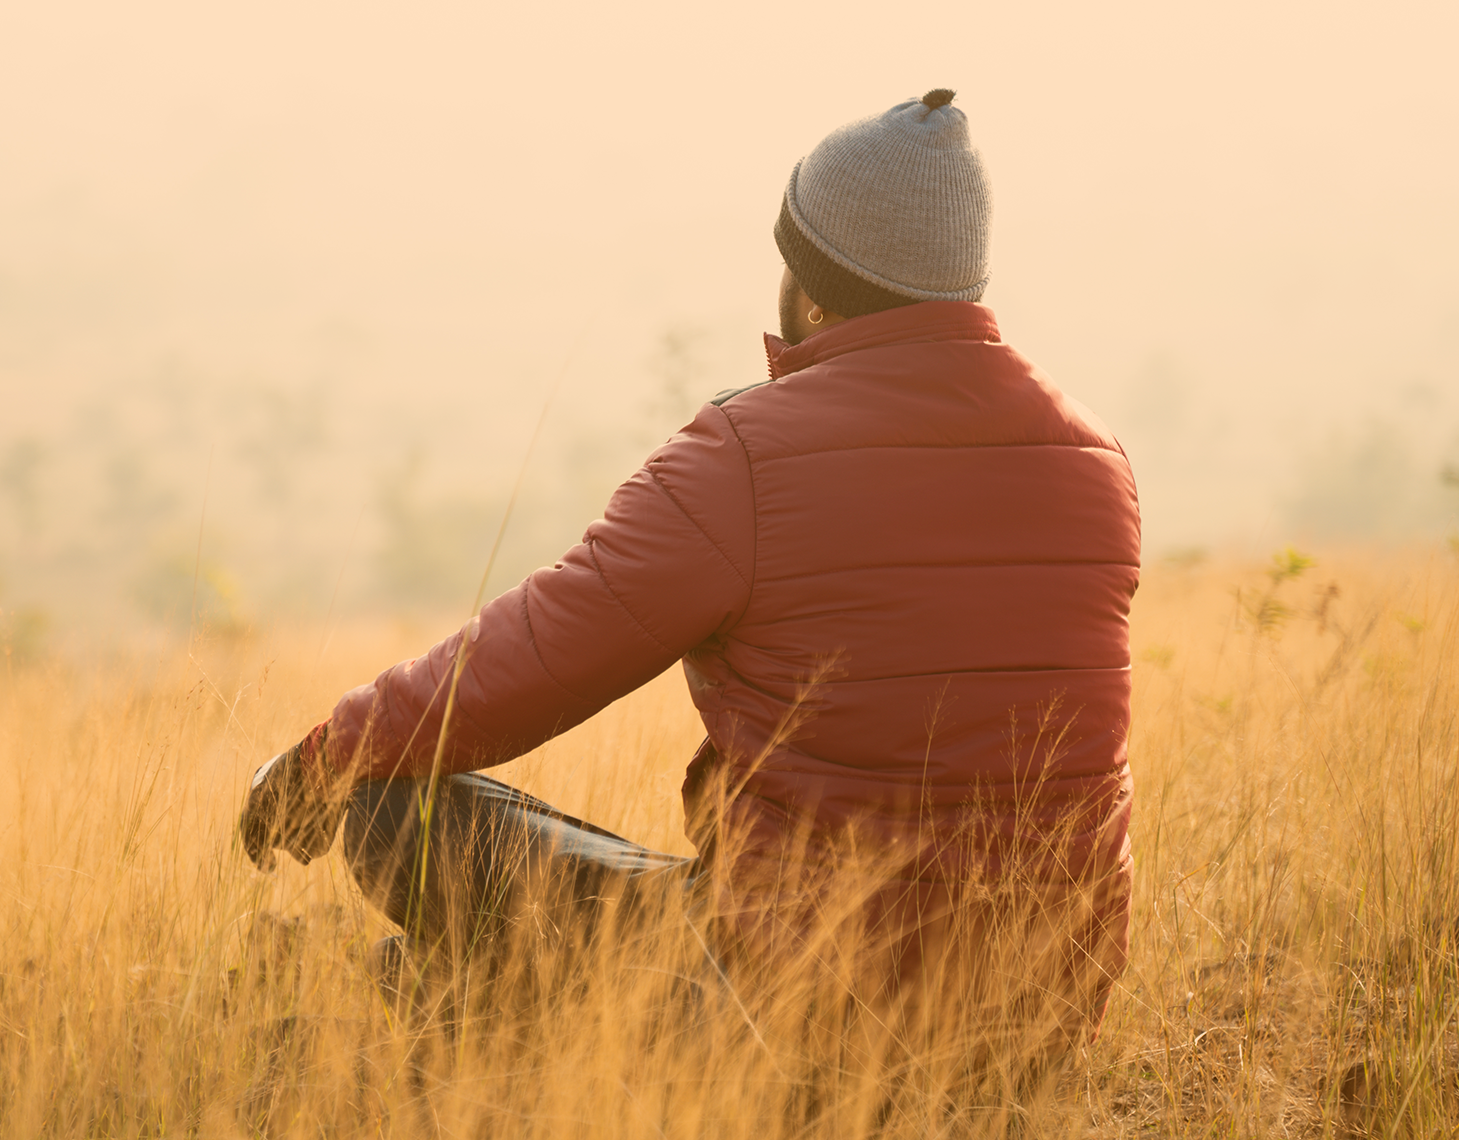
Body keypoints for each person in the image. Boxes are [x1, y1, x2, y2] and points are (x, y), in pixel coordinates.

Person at [238, 89, 1139, 1042]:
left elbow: (530, 657)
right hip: (1042, 1013)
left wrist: (326, 756)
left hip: (794, 1002)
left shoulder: (746, 456)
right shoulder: (1095, 459)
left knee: (390, 811)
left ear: (813, 287)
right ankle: (485, 1008)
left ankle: (505, 1015)